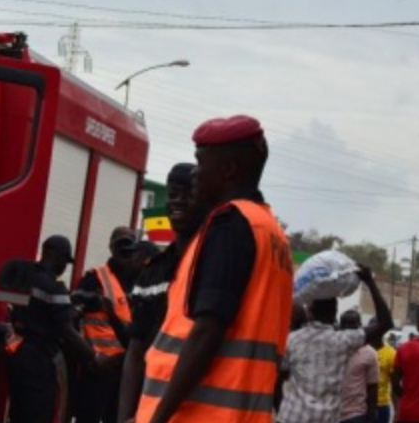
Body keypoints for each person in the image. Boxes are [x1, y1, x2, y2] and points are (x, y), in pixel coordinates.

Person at [135, 115, 294, 423]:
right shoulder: (271, 232)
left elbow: (207, 331)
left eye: (201, 161)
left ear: (228, 169)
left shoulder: (229, 225)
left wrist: (158, 417)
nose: (195, 173)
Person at [117, 163, 196, 423]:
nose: (179, 201)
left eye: (188, 194)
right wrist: (125, 417)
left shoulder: (213, 265)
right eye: (173, 194)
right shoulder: (153, 272)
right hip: (150, 409)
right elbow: (136, 350)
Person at [0, 235, 95, 423]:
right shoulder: (55, 288)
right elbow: (67, 331)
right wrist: (92, 357)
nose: (64, 267)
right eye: (64, 260)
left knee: (19, 411)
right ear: (55, 255)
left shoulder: (24, 275)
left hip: (18, 353)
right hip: (40, 359)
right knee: (40, 412)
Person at [275, 268, 392, 423]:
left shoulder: (292, 340)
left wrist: (280, 412)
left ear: (310, 312)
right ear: (334, 313)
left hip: (292, 417)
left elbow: (277, 381)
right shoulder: (344, 341)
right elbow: (385, 323)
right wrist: (369, 282)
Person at [75, 227, 142, 423]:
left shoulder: (137, 280)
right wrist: (89, 356)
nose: (125, 252)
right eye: (121, 246)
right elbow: (73, 316)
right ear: (111, 248)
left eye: (129, 248)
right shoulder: (95, 278)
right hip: (99, 367)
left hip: (124, 367)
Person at [337, 311, 379, 423]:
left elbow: (372, 386)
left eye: (352, 325)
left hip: (355, 414)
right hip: (331, 413)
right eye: (345, 325)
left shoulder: (370, 353)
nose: (348, 330)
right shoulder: (332, 349)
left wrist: (372, 413)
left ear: (360, 327)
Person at [370, 323, 395, 423]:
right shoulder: (360, 350)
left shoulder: (391, 353)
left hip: (382, 404)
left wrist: (397, 409)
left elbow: (394, 382)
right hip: (362, 405)